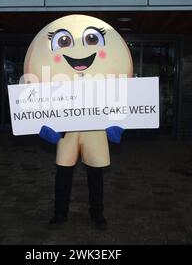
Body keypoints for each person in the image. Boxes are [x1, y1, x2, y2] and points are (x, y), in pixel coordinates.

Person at [23, 15, 133, 227]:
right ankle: (60, 213)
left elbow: (120, 99)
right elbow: (39, 101)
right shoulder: (56, 81)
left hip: (96, 130)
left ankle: (97, 214)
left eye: (92, 40)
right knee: (63, 175)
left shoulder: (105, 79)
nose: (79, 51)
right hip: (66, 129)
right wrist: (42, 121)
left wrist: (117, 121)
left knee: (96, 176)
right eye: (63, 42)